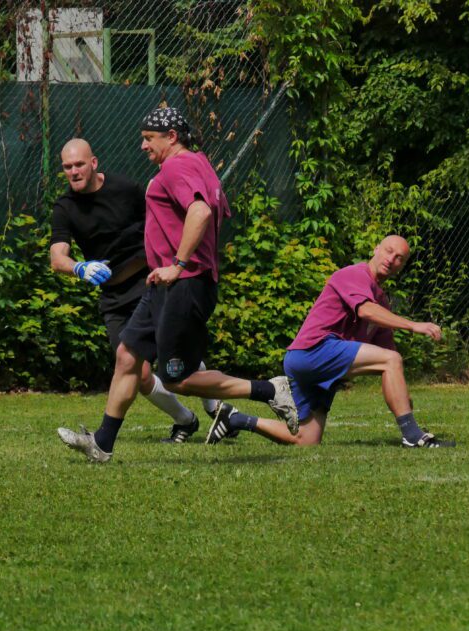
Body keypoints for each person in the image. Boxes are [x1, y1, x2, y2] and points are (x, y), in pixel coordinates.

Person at [58, 106, 298, 463]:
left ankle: (269, 389)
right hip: (164, 285)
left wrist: (178, 264)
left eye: (148, 138)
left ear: (171, 137)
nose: (143, 146)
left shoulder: (176, 167)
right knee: (127, 355)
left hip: (183, 283)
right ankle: (102, 444)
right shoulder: (199, 163)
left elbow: (200, 212)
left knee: (176, 379)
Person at [205, 235, 455, 448]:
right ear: (376, 249)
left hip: (323, 369)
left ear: (402, 266)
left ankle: (236, 419)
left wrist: (404, 399)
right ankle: (412, 436)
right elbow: (365, 311)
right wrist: (413, 325)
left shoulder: (382, 303)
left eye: (399, 258)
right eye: (389, 251)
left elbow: (389, 358)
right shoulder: (354, 274)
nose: (391, 259)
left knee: (307, 439)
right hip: (312, 352)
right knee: (391, 360)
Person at [50, 137, 224, 442]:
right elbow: (57, 258)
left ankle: (220, 409)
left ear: (93, 163)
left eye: (79, 164)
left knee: (178, 348)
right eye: (67, 167)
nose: (74, 172)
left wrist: (175, 264)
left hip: (148, 283)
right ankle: (185, 419)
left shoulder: (126, 189)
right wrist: (79, 268)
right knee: (136, 370)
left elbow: (165, 223)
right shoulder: (65, 207)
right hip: (113, 297)